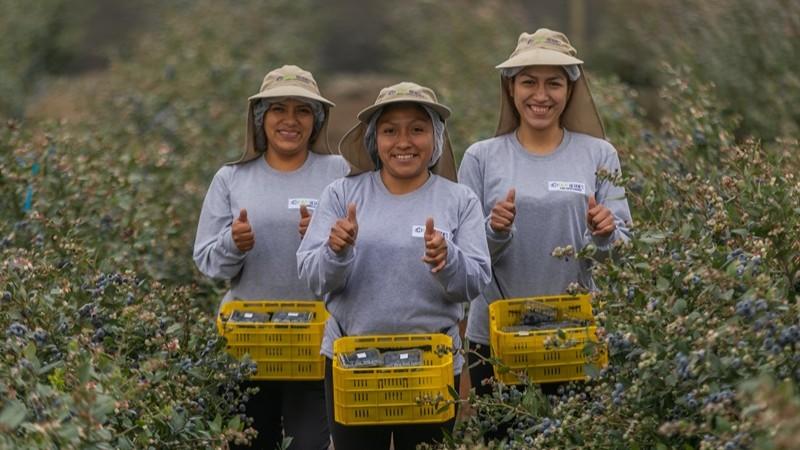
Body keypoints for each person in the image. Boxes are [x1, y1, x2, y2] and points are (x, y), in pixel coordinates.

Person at [296, 82, 492, 450]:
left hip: (429, 366)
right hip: (353, 362)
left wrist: (448, 260)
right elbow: (312, 276)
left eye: (417, 129)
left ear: (435, 139)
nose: (404, 141)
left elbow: (476, 280)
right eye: (390, 131)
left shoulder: (458, 199)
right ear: (374, 140)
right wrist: (336, 251)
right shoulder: (342, 194)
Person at [459, 29, 633, 400]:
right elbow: (464, 266)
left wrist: (605, 236)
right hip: (497, 338)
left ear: (570, 90)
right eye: (528, 82)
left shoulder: (599, 154)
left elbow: (623, 254)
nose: (541, 95)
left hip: (577, 333)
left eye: (553, 83)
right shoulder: (481, 158)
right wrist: (495, 231)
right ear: (510, 88)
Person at [193, 65, 350, 450]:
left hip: (316, 342)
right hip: (248, 342)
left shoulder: (340, 173)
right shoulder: (232, 178)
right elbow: (208, 262)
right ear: (261, 118)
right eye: (279, 109)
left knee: (309, 442)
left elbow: (363, 253)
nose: (290, 120)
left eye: (303, 110)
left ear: (316, 121)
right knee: (249, 440)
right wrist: (234, 242)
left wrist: (328, 241)